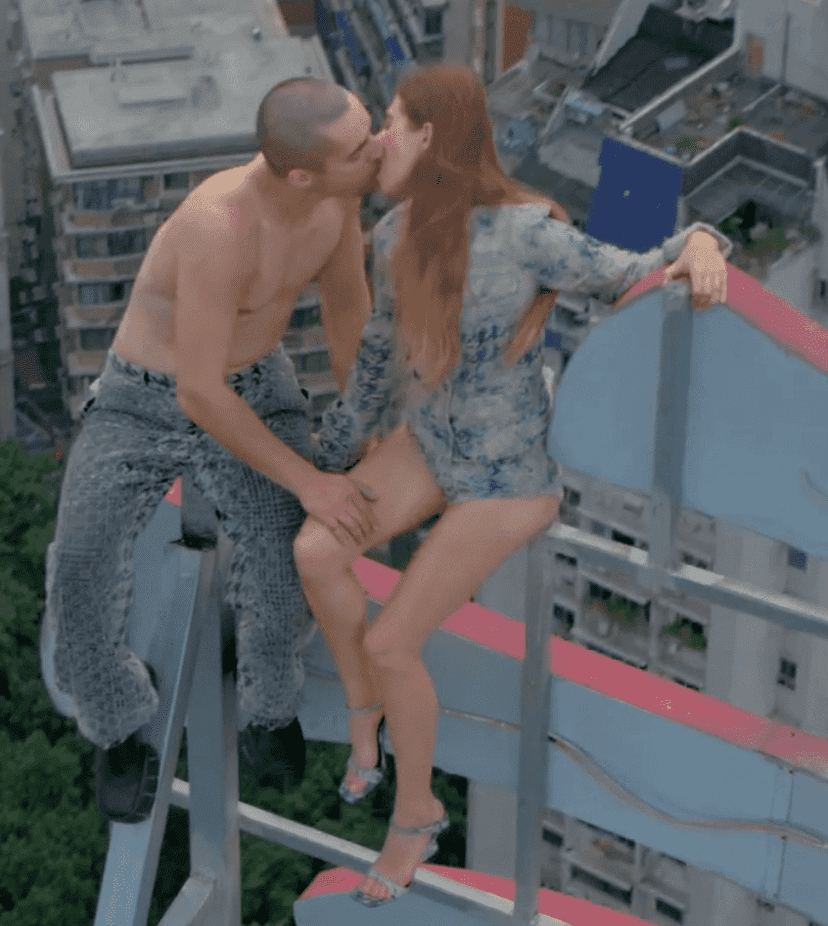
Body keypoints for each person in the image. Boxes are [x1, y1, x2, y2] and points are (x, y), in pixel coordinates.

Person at [292, 63, 732, 906]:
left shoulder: (527, 232)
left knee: (392, 641)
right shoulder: (392, 235)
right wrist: (320, 463)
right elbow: (378, 362)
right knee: (314, 550)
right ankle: (362, 710)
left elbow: (637, 269)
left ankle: (414, 816)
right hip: (430, 446)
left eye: (391, 122)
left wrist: (704, 241)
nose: (379, 140)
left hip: (507, 478)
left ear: (429, 136)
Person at [39, 76, 387, 823]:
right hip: (147, 393)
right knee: (82, 562)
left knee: (284, 550)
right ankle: (115, 722)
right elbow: (198, 392)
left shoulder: (338, 199)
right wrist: (312, 479)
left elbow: (344, 305)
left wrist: (362, 418)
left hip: (256, 379)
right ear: (302, 174)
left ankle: (271, 707)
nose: (380, 149)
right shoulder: (218, 224)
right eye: (361, 146)